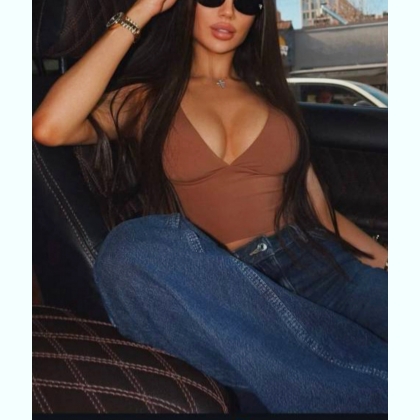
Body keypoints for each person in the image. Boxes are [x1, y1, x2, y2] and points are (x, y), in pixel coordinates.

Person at [32, 0, 388, 413]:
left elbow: (321, 216)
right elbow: (50, 127)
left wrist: (389, 261)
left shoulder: (275, 99)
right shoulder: (147, 98)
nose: (228, 12)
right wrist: (141, 11)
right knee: (128, 250)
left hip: (315, 263)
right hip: (221, 285)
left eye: (246, 3)